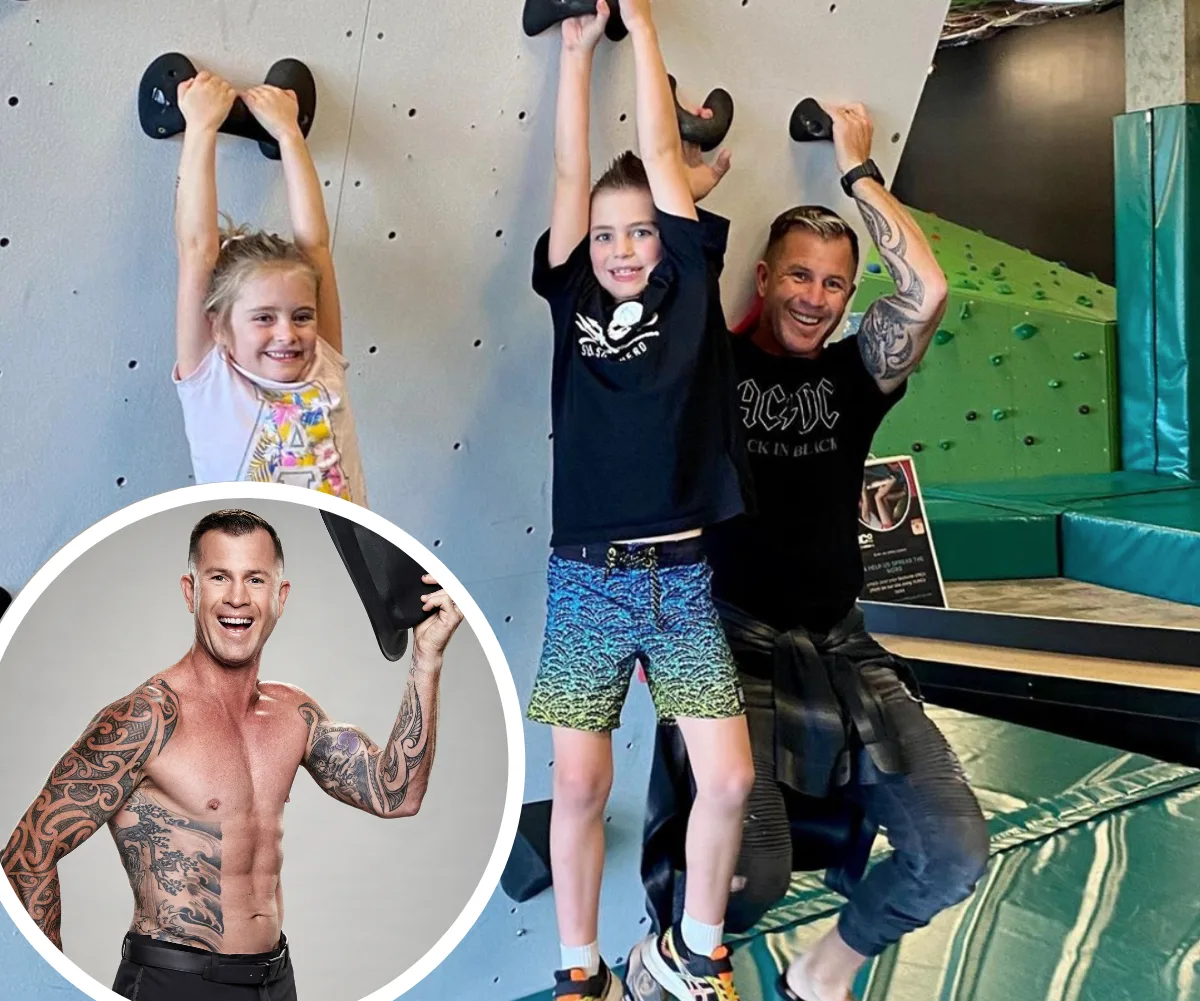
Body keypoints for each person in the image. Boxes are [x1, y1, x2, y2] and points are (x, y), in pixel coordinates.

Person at [698, 103, 990, 1001]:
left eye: (833, 283)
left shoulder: (857, 372)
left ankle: (821, 974)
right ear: (765, 274)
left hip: (842, 646)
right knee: (755, 873)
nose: (813, 297)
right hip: (731, 643)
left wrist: (858, 170)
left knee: (953, 853)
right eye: (798, 275)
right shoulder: (717, 365)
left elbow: (927, 292)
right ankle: (677, 958)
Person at [522, 1, 755, 999]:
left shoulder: (688, 283)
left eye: (641, 230)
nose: (622, 246)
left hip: (684, 579)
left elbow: (653, 165)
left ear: (669, 234)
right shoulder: (573, 288)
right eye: (608, 234)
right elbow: (575, 179)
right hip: (588, 578)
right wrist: (577, 52)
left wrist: (645, 23)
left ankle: (692, 949)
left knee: (732, 778)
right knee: (578, 783)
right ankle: (581, 966)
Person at [2, 509, 462, 1000]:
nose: (237, 598)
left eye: (255, 579)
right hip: (174, 982)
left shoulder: (293, 714)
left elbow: (395, 794)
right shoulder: (146, 719)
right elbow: (28, 857)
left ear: (279, 598)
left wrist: (426, 660)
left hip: (274, 980)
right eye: (219, 577)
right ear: (190, 591)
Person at [172, 72, 367, 502]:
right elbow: (196, 250)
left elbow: (314, 246)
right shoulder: (213, 385)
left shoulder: (323, 367)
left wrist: (288, 132)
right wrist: (200, 127)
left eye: (302, 316)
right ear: (220, 328)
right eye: (263, 318)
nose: (288, 333)